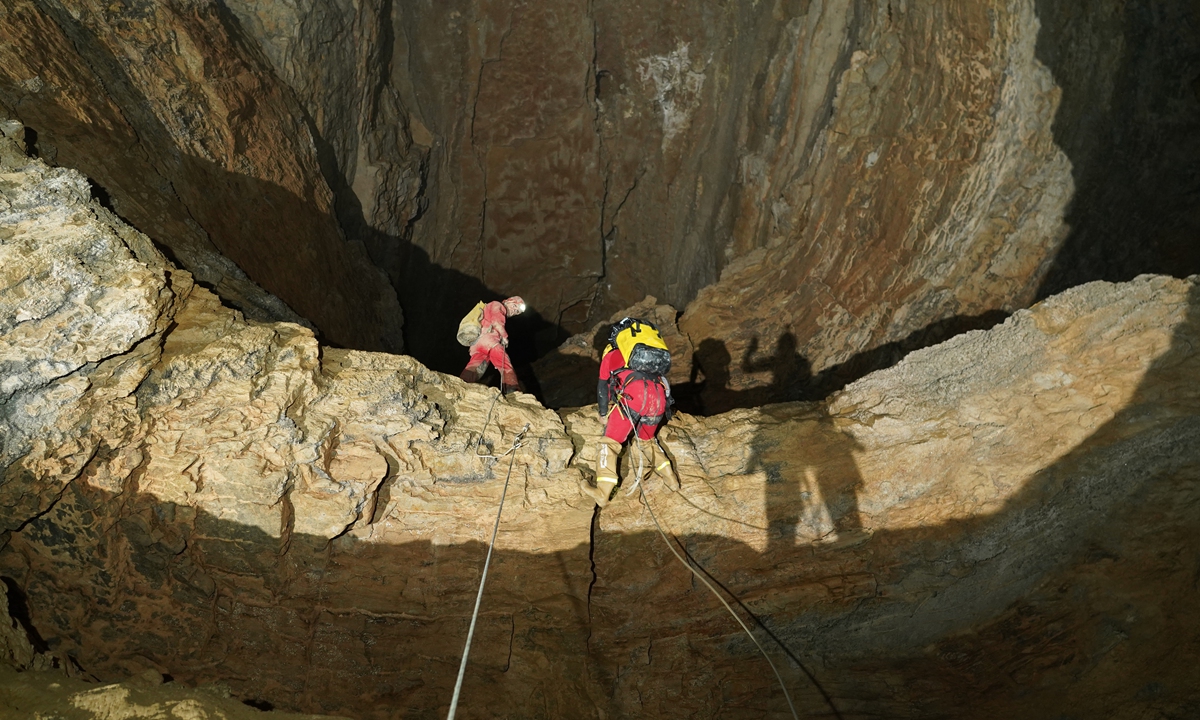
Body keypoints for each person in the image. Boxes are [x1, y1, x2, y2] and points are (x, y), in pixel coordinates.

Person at [580, 318, 677, 507]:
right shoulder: (648, 356)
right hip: (658, 397)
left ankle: (602, 493)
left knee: (609, 443)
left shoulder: (613, 353)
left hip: (635, 396)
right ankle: (671, 480)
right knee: (647, 441)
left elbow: (603, 386)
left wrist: (602, 412)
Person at [458, 296, 526, 394]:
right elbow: (497, 322)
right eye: (514, 306)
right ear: (508, 301)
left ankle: (461, 384)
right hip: (490, 341)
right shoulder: (498, 305)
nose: (514, 311)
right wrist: (504, 336)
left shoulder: (490, 306)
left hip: (477, 344)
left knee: (475, 367)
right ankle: (512, 391)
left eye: (517, 312)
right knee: (505, 365)